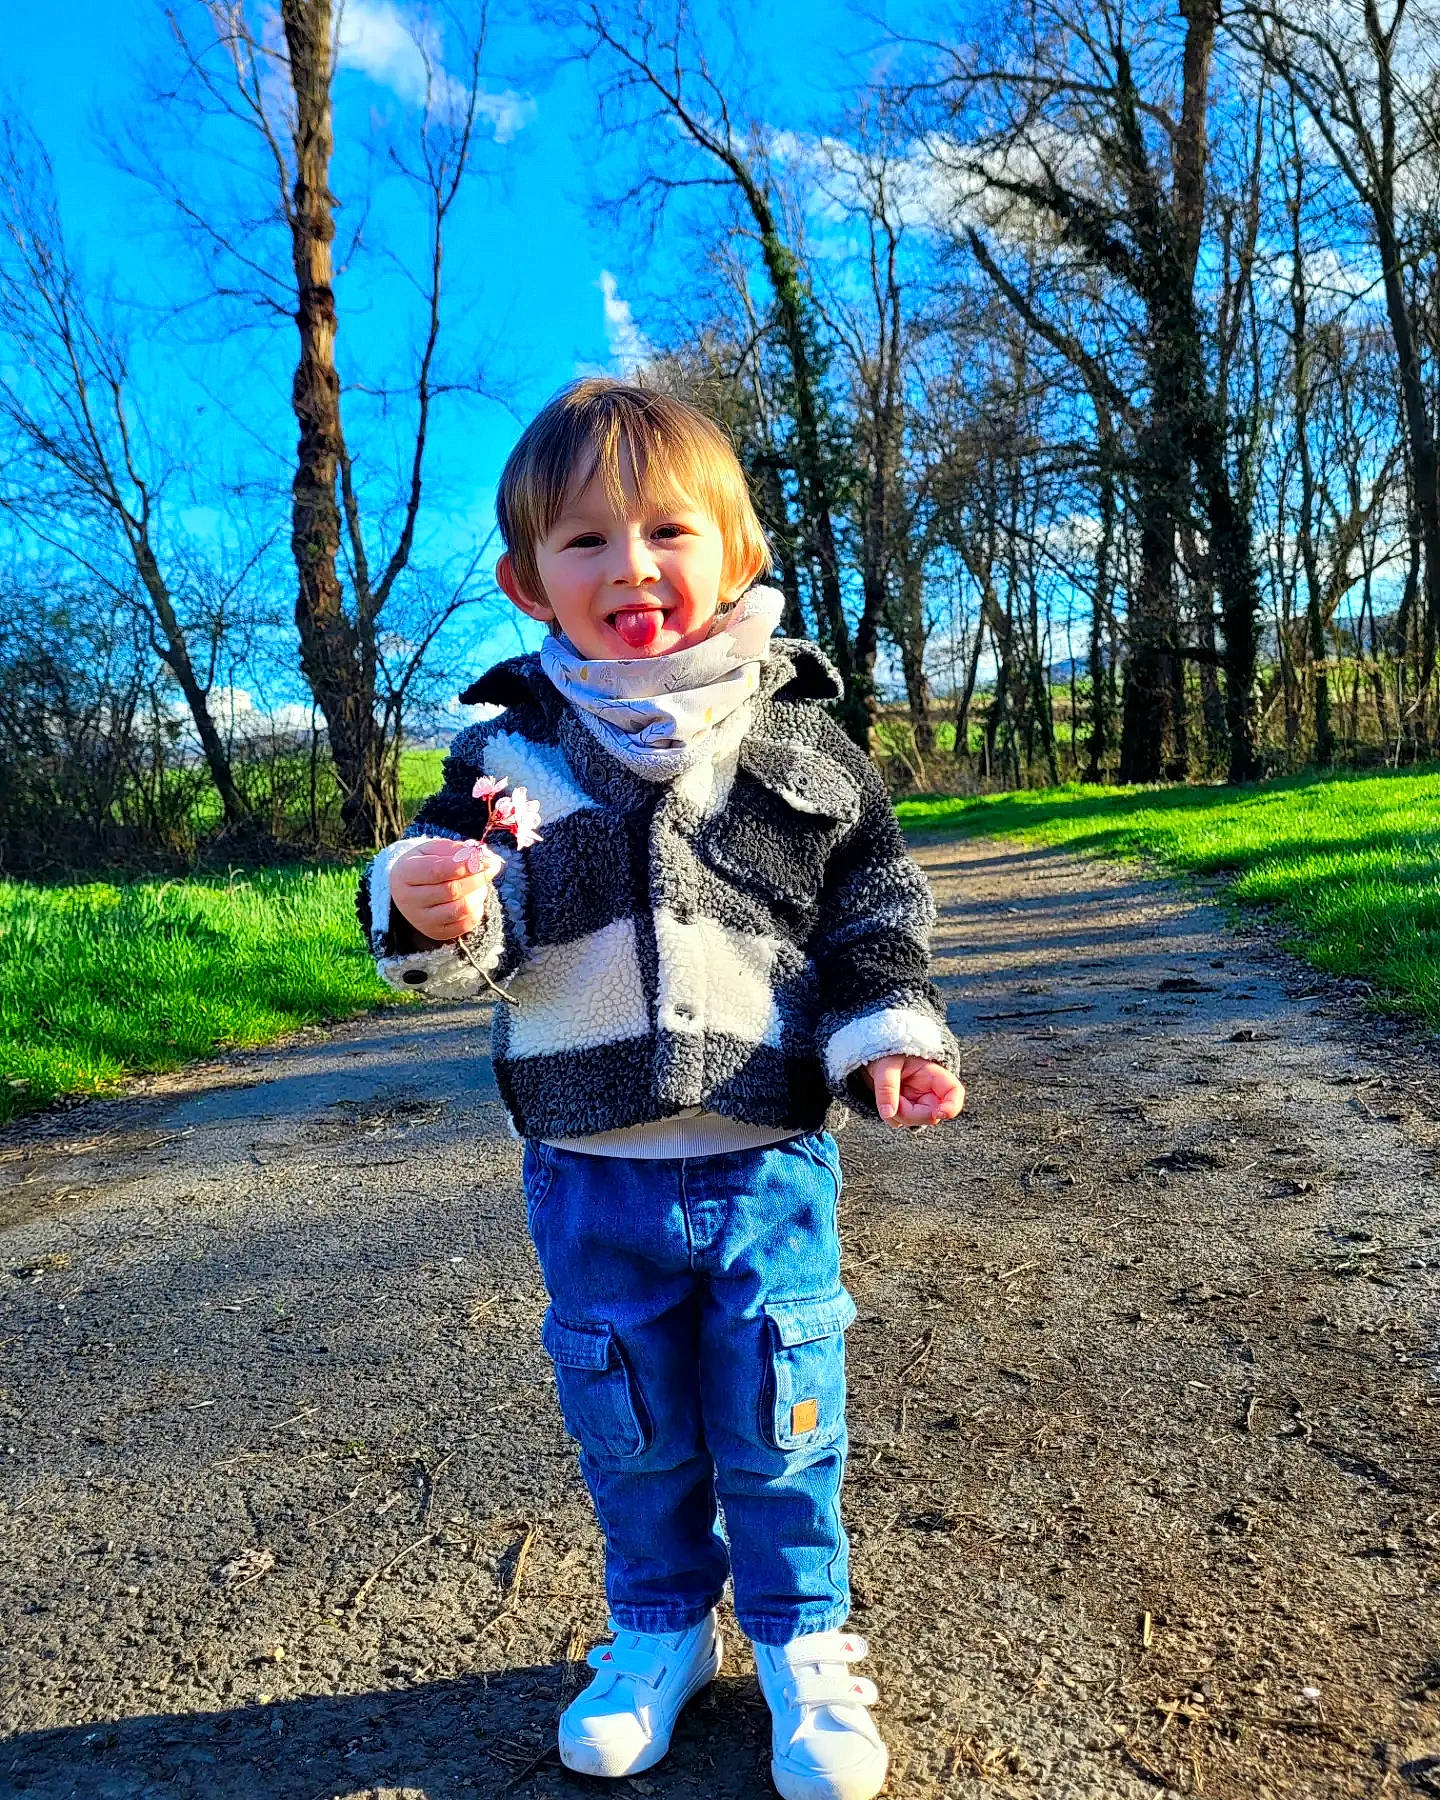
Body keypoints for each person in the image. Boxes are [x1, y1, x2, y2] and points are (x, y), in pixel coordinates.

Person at [358, 379, 965, 1800]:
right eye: (583, 542)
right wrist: (425, 900)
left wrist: (888, 1037)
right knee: (628, 1417)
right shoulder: (506, 754)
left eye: (666, 530)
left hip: (766, 1160)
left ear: (738, 554)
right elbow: (465, 945)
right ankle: (657, 1630)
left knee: (778, 1406)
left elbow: (873, 912)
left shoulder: (806, 745)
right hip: (591, 1170)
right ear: (527, 583)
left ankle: (804, 1644)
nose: (629, 564)